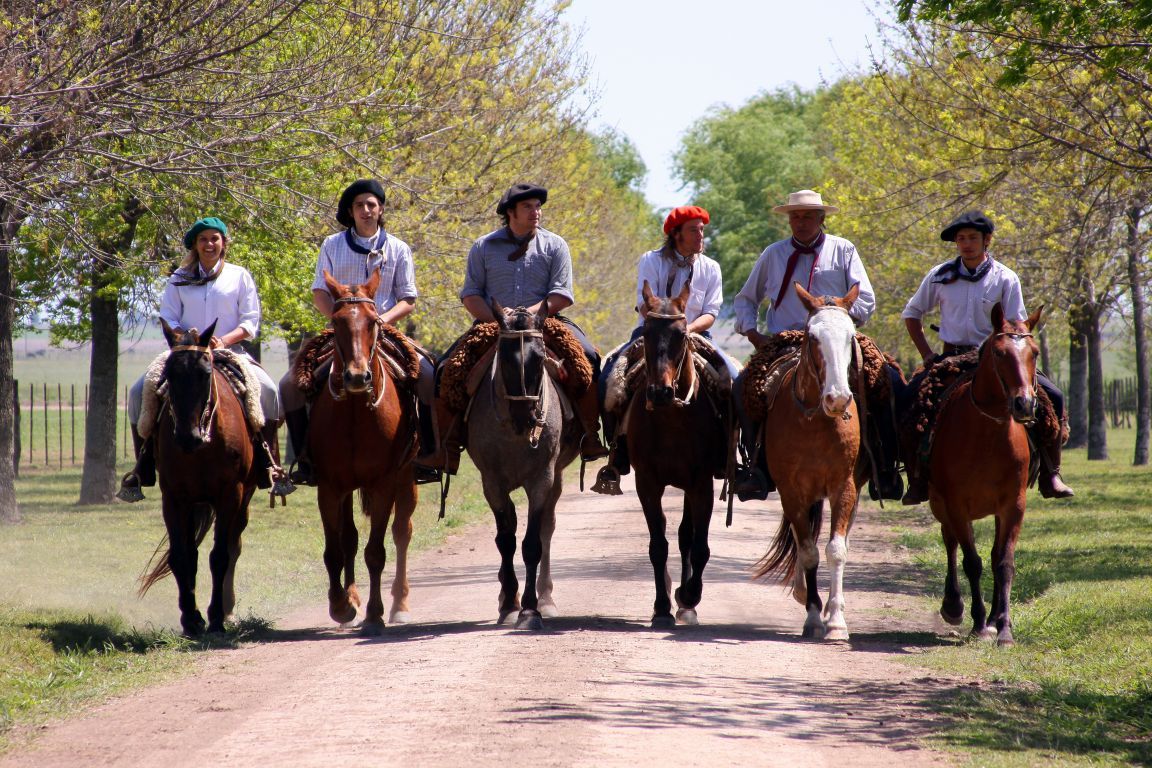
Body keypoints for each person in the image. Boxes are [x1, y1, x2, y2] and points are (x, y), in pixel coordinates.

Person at [415, 182, 609, 472]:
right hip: (493, 326)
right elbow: (471, 295)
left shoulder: (555, 244)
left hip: (546, 324)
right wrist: (500, 320)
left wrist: (524, 316)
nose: (536, 212)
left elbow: (561, 295)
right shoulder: (483, 246)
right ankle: (447, 447)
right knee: (446, 369)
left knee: (589, 358)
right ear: (510, 212)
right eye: (528, 207)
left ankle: (591, 436)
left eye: (538, 206)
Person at [730, 189, 902, 501]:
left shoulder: (843, 249)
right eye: (795, 216)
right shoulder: (773, 254)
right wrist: (753, 334)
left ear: (821, 219)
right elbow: (746, 299)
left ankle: (886, 467)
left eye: (808, 215)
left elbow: (864, 297)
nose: (801, 221)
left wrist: (841, 319)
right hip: (786, 341)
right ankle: (754, 468)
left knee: (886, 381)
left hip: (836, 336)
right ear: (788, 220)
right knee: (743, 386)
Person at [900, 210, 1074, 503]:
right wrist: (927, 354)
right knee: (910, 399)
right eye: (961, 239)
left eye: (972, 238)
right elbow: (912, 314)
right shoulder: (940, 276)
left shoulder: (1005, 277)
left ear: (986, 240)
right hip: (952, 359)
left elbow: (1019, 324)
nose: (966, 244)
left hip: (999, 358)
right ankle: (915, 478)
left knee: (1053, 397)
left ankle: (1050, 473)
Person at [280, 179, 439, 485]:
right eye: (359, 206)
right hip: (340, 332)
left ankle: (426, 456)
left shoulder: (398, 249)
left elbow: (408, 298)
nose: (366, 210)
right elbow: (319, 293)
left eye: (372, 205)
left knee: (429, 376)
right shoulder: (331, 245)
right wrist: (341, 320)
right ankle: (304, 460)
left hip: (385, 329)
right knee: (289, 385)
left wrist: (381, 320)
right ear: (350, 212)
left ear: (380, 210)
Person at [118, 216, 286, 501]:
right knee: (138, 392)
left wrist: (225, 339)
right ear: (195, 245)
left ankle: (268, 464)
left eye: (214, 238)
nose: (209, 244)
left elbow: (250, 322)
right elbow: (168, 315)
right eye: (203, 239)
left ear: (223, 243)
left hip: (227, 352)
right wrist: (184, 337)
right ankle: (143, 467)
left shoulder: (239, 276)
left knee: (268, 390)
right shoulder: (179, 279)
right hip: (186, 353)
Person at [592, 204, 739, 495]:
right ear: (676, 234)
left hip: (697, 332)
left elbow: (711, 311)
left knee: (733, 379)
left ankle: (731, 453)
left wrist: (688, 330)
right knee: (610, 377)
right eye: (694, 230)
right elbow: (643, 302)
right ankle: (617, 448)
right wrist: (663, 326)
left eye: (702, 230)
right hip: (651, 331)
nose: (700, 235)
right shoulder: (652, 260)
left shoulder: (711, 267)